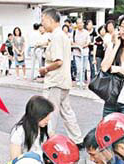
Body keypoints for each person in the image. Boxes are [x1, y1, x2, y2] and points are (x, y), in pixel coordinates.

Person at [39, 8, 84, 147]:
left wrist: (44, 69)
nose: (42, 23)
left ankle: (47, 141)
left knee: (49, 112)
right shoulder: (61, 35)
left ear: (51, 20)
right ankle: (77, 139)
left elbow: (58, 61)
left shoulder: (57, 36)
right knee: (66, 111)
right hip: (63, 81)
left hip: (55, 81)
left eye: (43, 20)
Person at [10, 95, 54, 160]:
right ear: (36, 115)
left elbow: (53, 142)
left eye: (49, 115)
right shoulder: (19, 132)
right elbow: (15, 160)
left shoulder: (46, 124)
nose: (48, 118)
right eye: (45, 115)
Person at [72, 18, 91, 88]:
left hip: (85, 53)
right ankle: (78, 80)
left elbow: (88, 42)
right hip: (76, 53)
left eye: (81, 23)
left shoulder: (86, 32)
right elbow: (71, 41)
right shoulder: (74, 32)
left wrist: (82, 46)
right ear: (76, 24)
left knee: (84, 68)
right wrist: (77, 46)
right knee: (79, 68)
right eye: (78, 23)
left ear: (83, 23)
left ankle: (82, 80)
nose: (80, 24)